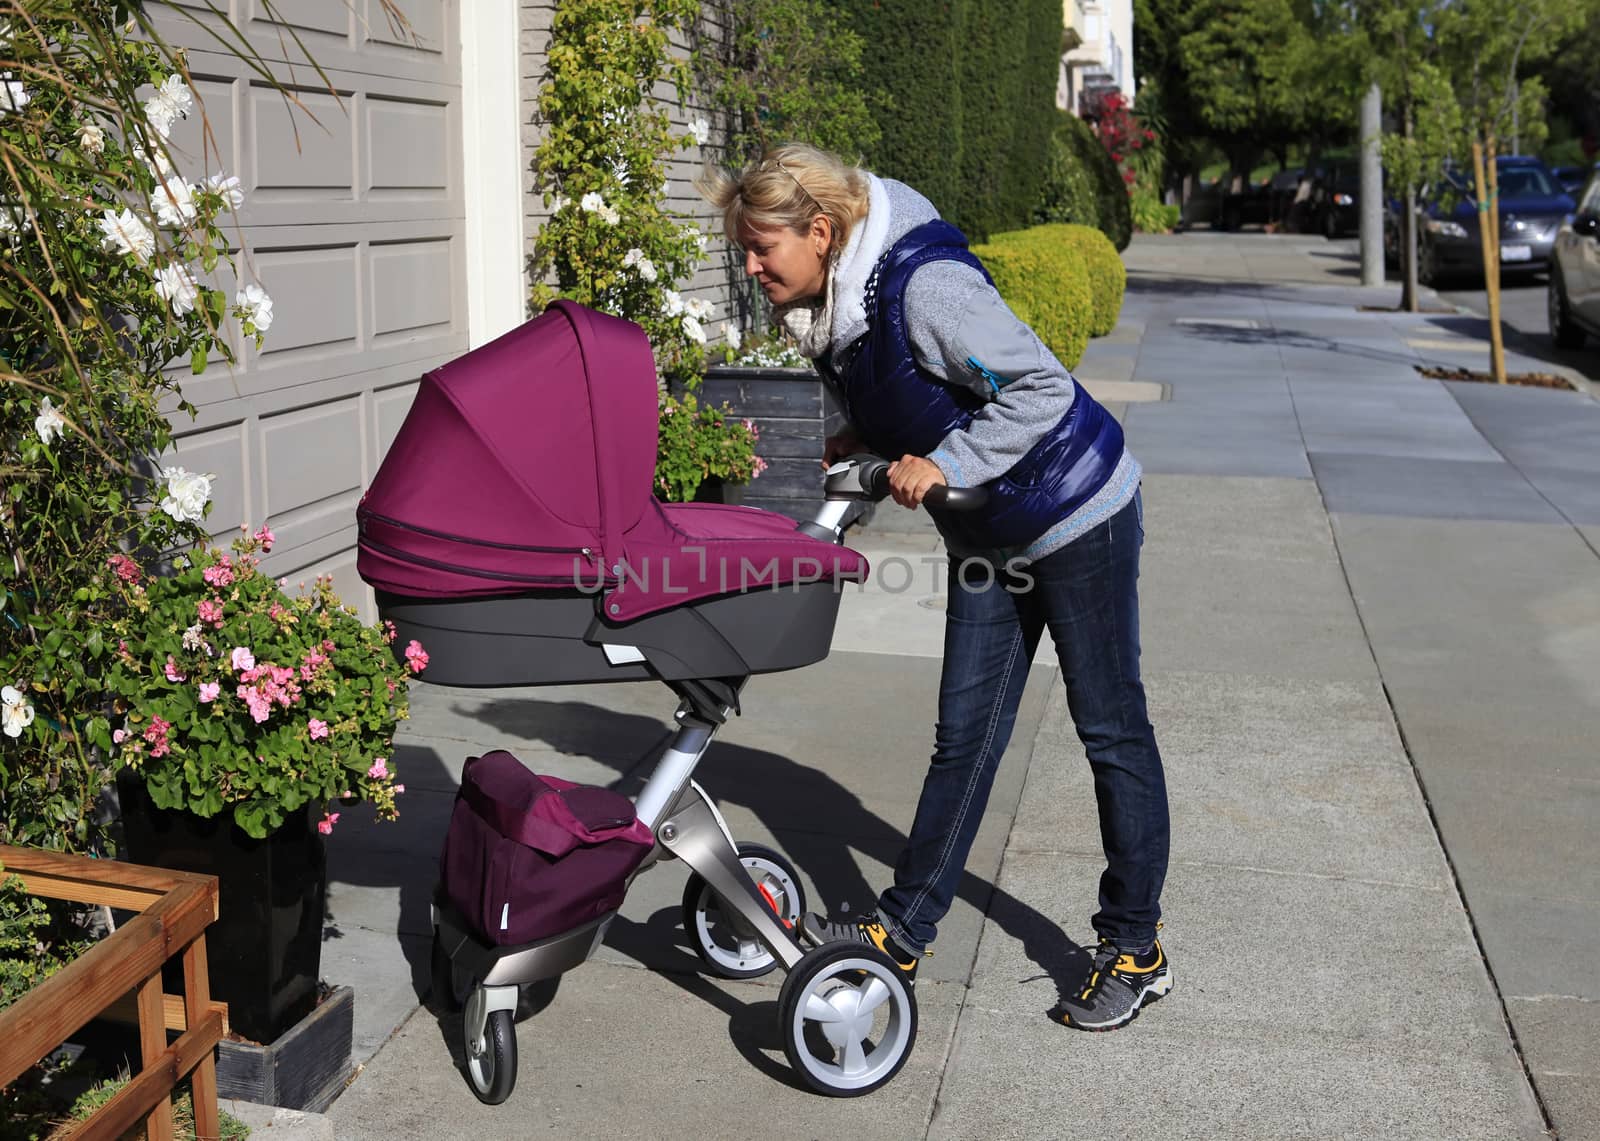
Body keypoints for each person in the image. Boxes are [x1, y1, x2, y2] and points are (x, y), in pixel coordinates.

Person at [697, 144, 1171, 1031]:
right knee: (965, 737)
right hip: (991, 530)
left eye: (762, 248)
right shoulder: (837, 305)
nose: (751, 267)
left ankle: (1135, 946)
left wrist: (942, 461)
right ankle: (903, 931)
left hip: (1076, 513)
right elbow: (915, 388)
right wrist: (859, 438)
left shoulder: (922, 287)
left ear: (824, 233)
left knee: (1109, 728)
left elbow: (1036, 386)